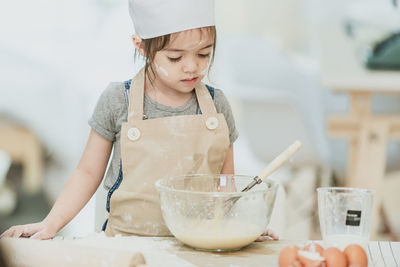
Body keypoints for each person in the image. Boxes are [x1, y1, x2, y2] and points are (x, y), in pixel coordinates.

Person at [0, 0, 278, 241]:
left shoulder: (217, 106)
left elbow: (224, 187)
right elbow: (87, 172)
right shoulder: (116, 100)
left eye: (204, 54)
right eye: (175, 57)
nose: (192, 66)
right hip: (128, 244)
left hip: (199, 246)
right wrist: (50, 224)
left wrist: (242, 226)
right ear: (141, 46)